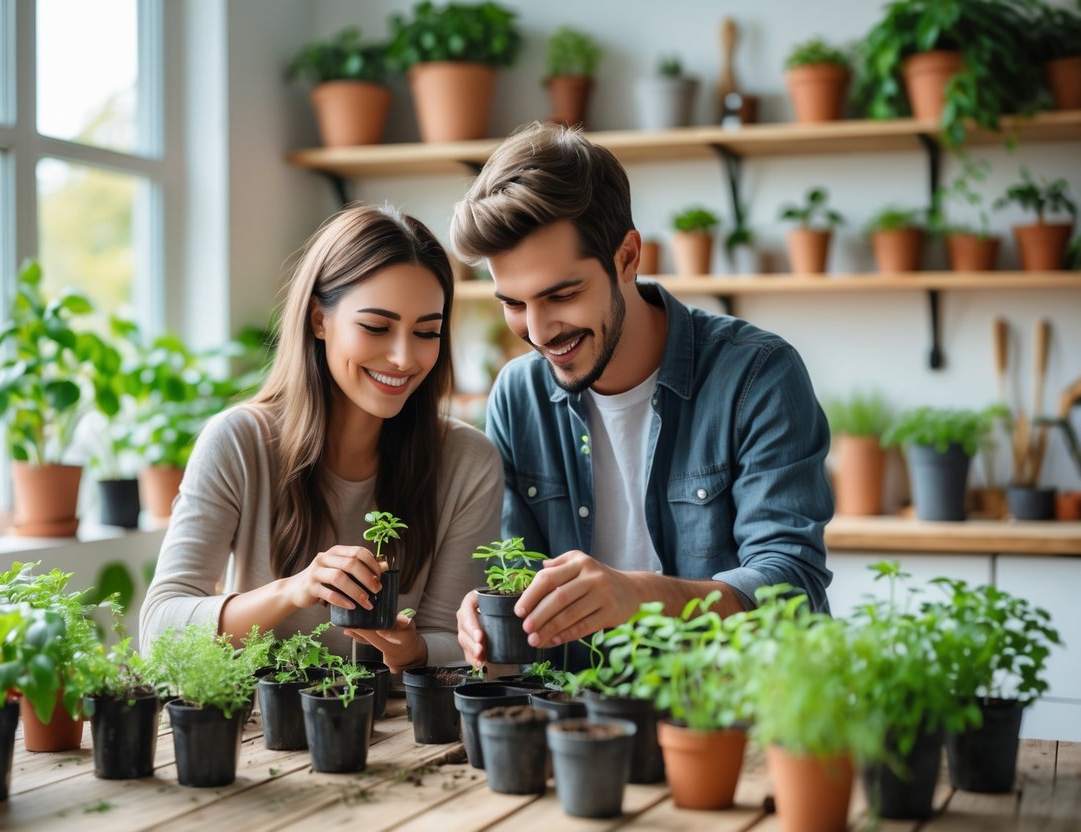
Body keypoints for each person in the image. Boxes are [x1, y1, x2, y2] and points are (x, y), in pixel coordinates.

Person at [449, 122, 833, 670]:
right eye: (513, 303)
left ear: (628, 256)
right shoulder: (518, 396)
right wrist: (492, 609)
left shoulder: (757, 375)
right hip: (584, 720)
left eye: (562, 294)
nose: (538, 331)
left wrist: (640, 596)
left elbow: (790, 586)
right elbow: (519, 570)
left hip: (733, 715)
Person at [139, 205, 503, 672]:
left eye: (426, 332)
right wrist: (293, 589)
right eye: (376, 327)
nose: (403, 357)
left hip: (399, 734)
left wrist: (414, 650)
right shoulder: (238, 442)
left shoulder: (467, 462)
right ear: (318, 319)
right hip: (256, 732)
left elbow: (461, 644)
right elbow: (157, 631)